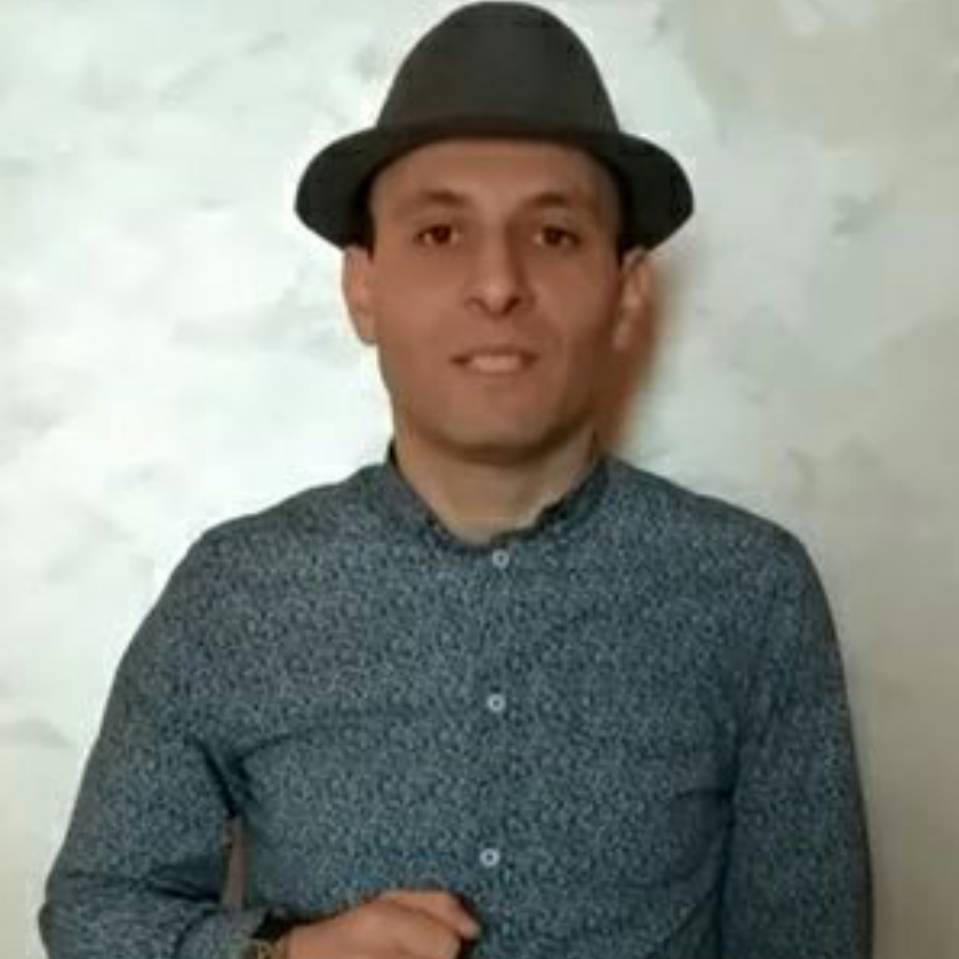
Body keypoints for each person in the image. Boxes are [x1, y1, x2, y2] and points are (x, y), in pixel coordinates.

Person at [39, 3, 872, 958]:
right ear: (362, 287)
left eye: (553, 235)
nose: (498, 284)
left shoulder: (749, 591)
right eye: (439, 233)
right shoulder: (235, 591)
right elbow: (94, 912)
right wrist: (284, 954)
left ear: (627, 291)